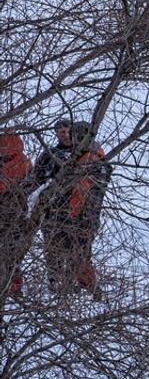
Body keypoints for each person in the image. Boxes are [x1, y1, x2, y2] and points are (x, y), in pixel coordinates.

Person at [31, 121, 111, 298]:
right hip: (55, 213)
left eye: (68, 131)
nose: (65, 134)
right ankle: (58, 289)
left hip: (80, 215)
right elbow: (35, 180)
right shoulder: (52, 155)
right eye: (60, 131)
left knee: (79, 255)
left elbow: (89, 192)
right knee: (55, 253)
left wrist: (80, 214)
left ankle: (89, 292)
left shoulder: (92, 159)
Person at [0, 132, 32, 295]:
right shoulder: (24, 163)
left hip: (13, 217)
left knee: (11, 254)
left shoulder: (21, 164)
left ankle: (14, 287)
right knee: (11, 254)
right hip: (15, 216)